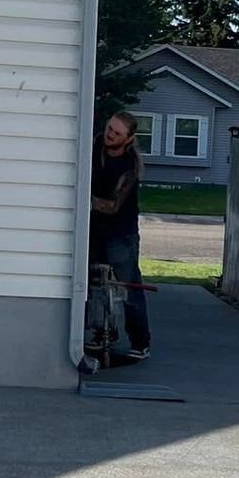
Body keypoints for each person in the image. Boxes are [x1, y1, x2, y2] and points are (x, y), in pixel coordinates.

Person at [90, 110, 151, 361]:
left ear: (129, 138)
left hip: (121, 233)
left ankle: (141, 341)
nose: (110, 134)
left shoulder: (129, 167)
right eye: (109, 128)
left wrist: (84, 197)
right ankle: (102, 333)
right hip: (94, 230)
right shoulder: (95, 145)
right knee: (93, 284)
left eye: (117, 133)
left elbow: (113, 206)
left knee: (129, 287)